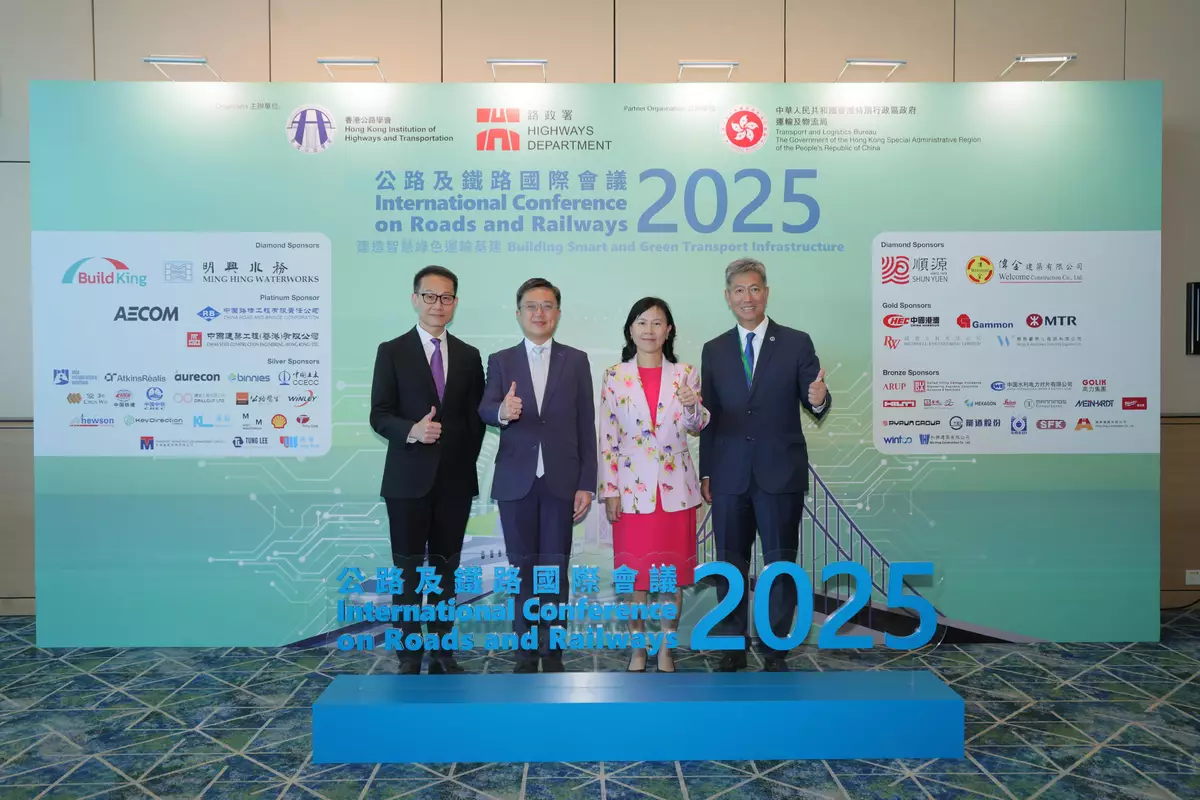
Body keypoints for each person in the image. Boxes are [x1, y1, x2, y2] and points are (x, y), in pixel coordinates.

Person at [699, 258, 830, 672]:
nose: (747, 297)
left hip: (779, 473)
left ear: (766, 293)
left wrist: (819, 398)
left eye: (754, 289)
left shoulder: (796, 342)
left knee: (780, 565)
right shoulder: (714, 349)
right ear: (728, 297)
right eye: (739, 290)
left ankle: (775, 650)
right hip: (729, 474)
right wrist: (707, 471)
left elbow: (814, 397)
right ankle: (732, 646)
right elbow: (708, 416)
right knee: (730, 564)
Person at [369, 265, 485, 675]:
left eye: (446, 297)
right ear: (415, 299)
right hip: (406, 481)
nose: (439, 304)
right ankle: (408, 653)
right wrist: (412, 431)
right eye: (430, 296)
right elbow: (379, 414)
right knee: (407, 571)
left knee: (445, 570)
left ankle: (441, 649)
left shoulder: (469, 356)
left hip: (454, 482)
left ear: (455, 302)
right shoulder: (392, 351)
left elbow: (475, 421)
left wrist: (461, 462)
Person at [479, 278, 597, 673]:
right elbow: (485, 407)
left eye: (547, 306)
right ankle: (526, 653)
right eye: (531, 306)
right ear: (519, 313)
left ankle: (553, 651)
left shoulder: (575, 360)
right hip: (517, 482)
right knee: (521, 571)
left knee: (554, 572)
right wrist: (502, 411)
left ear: (558, 314)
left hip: (562, 482)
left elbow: (586, 424)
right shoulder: (501, 360)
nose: (539, 313)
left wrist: (587, 483)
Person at [600, 297, 709, 673]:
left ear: (669, 330)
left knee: (670, 578)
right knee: (636, 579)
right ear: (631, 329)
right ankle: (637, 649)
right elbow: (607, 437)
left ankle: (666, 648)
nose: (649, 330)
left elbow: (697, 425)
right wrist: (610, 490)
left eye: (657, 323)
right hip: (631, 492)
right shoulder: (614, 375)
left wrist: (692, 404)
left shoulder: (686, 373)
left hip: (675, 492)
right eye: (642, 322)